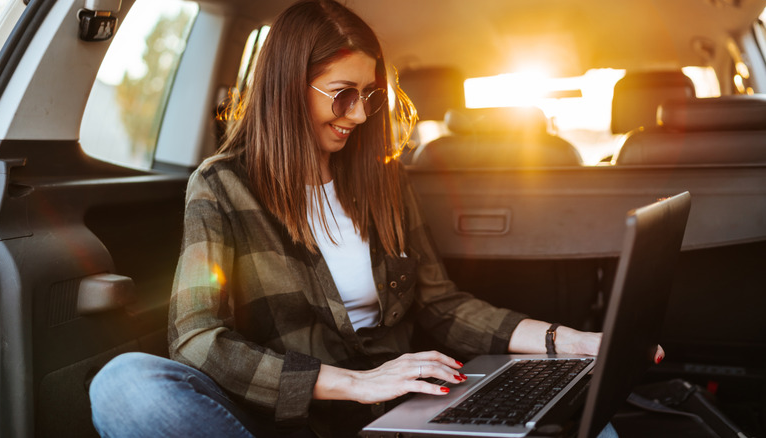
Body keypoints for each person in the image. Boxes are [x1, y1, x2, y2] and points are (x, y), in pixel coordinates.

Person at [88, 1, 663, 437]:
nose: (359, 115)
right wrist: (355, 384)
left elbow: (441, 304)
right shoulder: (220, 187)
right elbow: (196, 339)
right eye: (341, 95)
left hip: (403, 411)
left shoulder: (383, 179)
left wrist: (569, 341)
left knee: (579, 412)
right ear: (288, 87)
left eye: (369, 96)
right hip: (292, 418)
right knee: (124, 384)